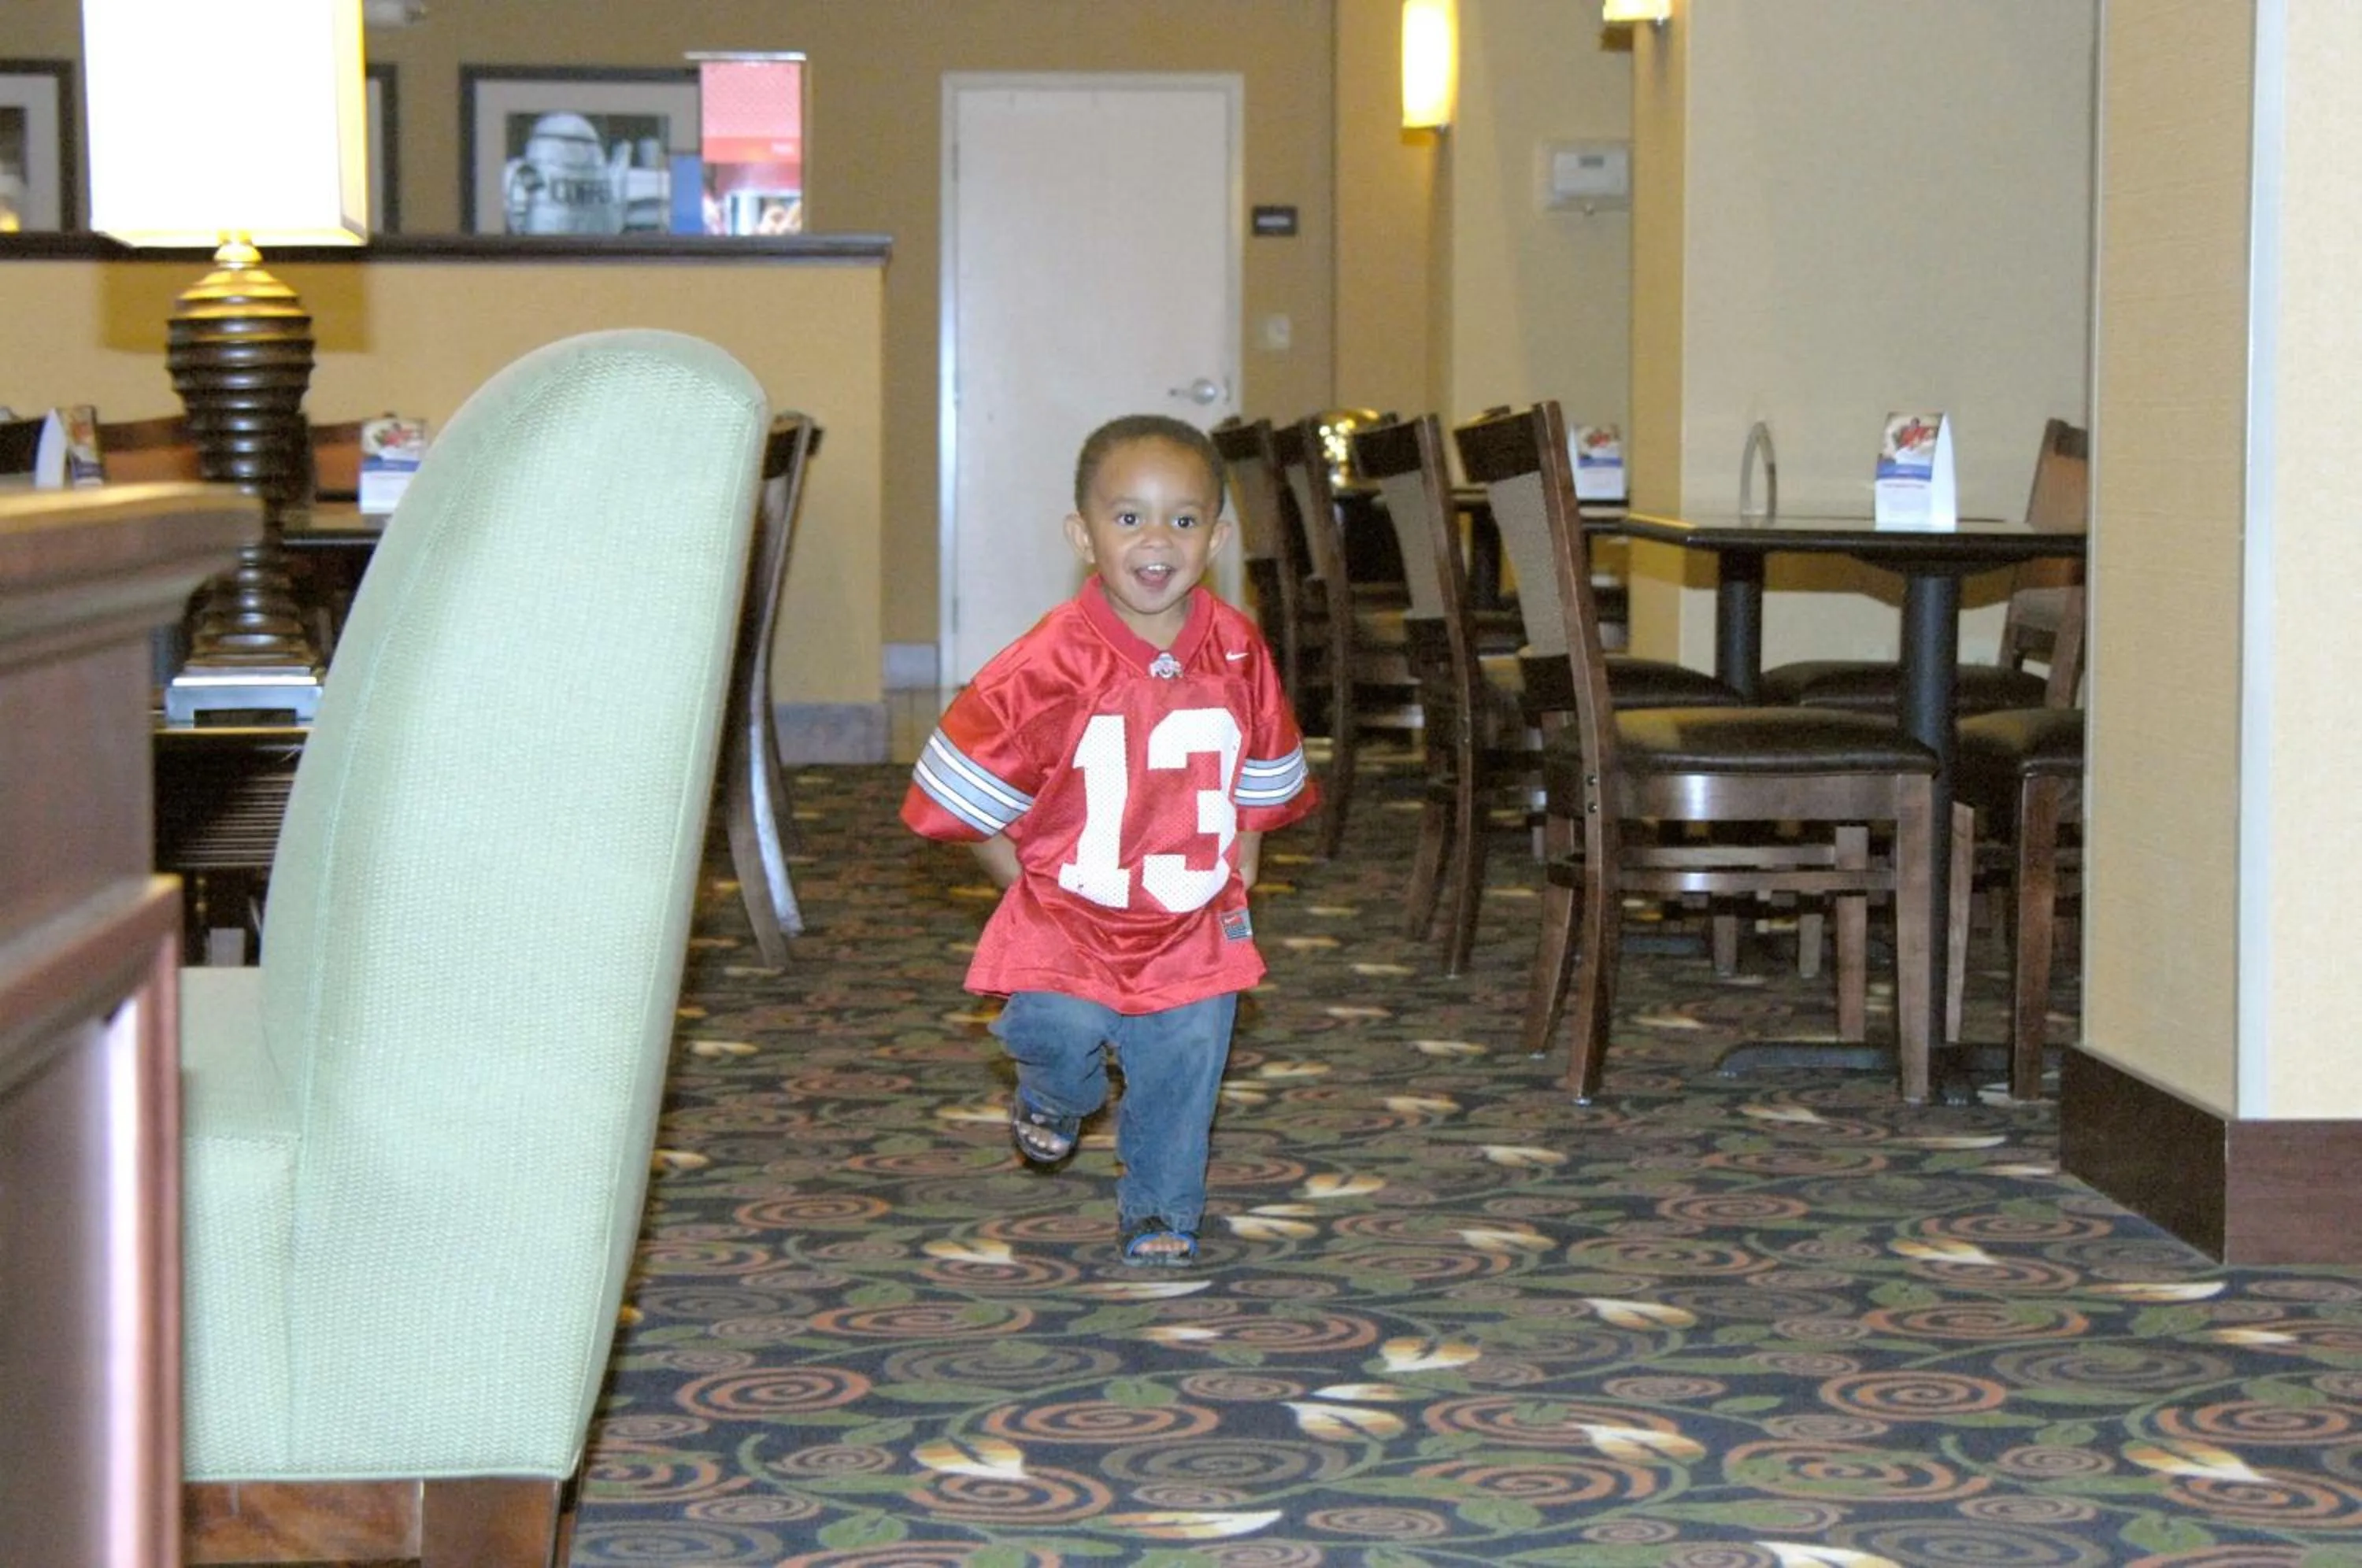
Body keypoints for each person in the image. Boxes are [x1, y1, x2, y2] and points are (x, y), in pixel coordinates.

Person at [901, 413, 1316, 1267]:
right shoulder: (1047, 662)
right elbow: (957, 799)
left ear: (1219, 537)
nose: (1156, 540)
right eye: (1128, 518)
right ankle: (1056, 1097)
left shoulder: (1240, 651)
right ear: (1082, 535)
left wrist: (1239, 880)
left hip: (1190, 918)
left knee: (1185, 1069)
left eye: (1184, 519)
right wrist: (1026, 886)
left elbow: (1254, 782)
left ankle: (1161, 1215)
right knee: (1052, 1028)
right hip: (1070, 914)